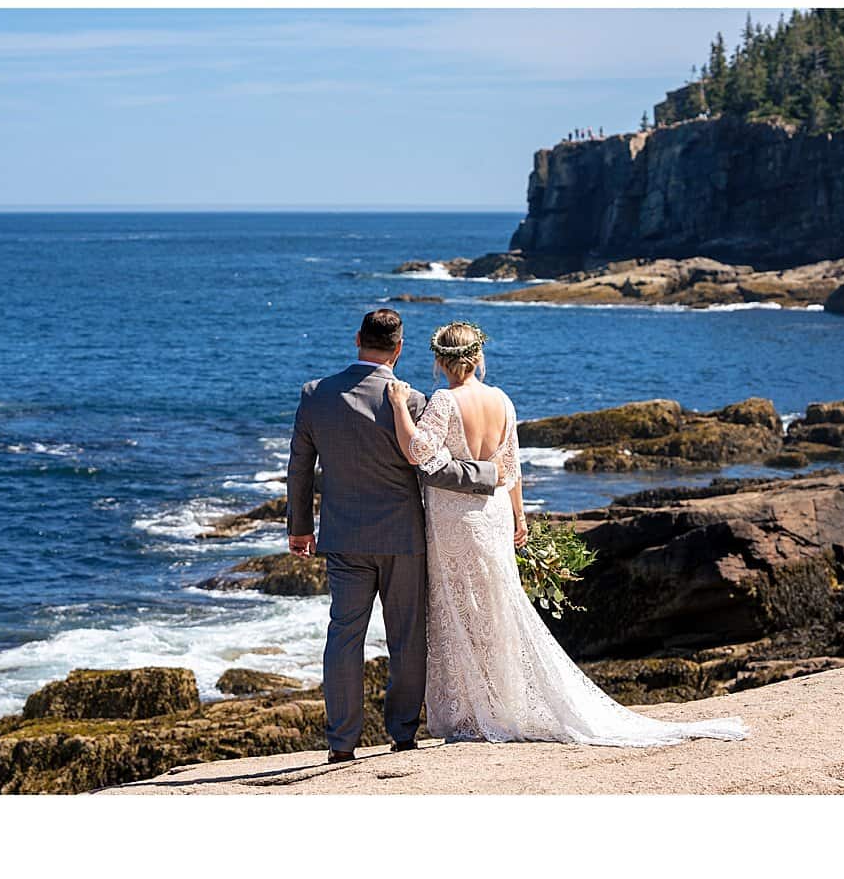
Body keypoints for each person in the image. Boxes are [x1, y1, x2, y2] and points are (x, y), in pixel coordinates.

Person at [386, 321, 749, 747]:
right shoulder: (502, 400)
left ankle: (474, 711)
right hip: (496, 513)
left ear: (440, 361)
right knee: (497, 606)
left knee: (462, 608)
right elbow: (511, 467)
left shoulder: (444, 401)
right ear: (477, 357)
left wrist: (396, 405)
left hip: (457, 521)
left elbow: (417, 452)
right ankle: (500, 702)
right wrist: (520, 518)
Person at [286, 309, 499, 764]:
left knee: (344, 636)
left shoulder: (314, 395)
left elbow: (300, 469)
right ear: (399, 349)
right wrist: (491, 474)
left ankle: (341, 744)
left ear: (357, 339)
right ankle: (402, 734)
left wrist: (300, 528)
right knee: (406, 638)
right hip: (405, 537)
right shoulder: (414, 400)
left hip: (343, 537)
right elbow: (435, 466)